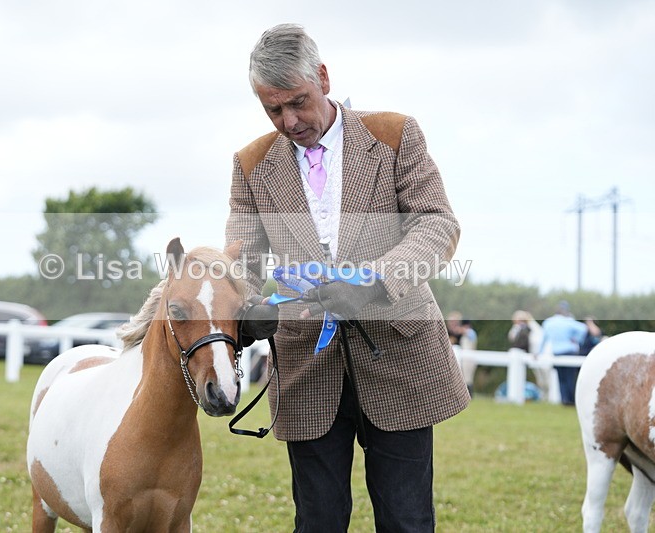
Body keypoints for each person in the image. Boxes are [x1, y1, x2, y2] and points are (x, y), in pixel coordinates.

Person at [226, 23, 469, 532]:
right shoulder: (250, 165)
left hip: (399, 356)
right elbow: (243, 260)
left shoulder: (395, 133)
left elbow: (437, 223)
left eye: (298, 102)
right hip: (305, 365)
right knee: (317, 521)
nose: (290, 121)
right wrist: (246, 312)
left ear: (324, 77)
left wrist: (374, 283)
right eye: (274, 110)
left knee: (406, 520)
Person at [539, 301, 587, 406]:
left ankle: (564, 399)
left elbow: (543, 340)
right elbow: (583, 329)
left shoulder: (548, 322)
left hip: (556, 353)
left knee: (561, 378)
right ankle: (571, 400)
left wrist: (539, 352)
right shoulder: (569, 321)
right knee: (570, 377)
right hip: (569, 351)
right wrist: (577, 340)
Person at [508, 310, 547, 398]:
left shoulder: (530, 328)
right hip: (523, 355)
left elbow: (535, 341)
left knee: (543, 377)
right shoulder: (517, 328)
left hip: (535, 355)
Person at [447, 312, 478, 396]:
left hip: (465, 359)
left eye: (454, 322)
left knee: (467, 378)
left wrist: (462, 331)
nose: (452, 324)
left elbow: (472, 336)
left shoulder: (463, 333)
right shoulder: (446, 332)